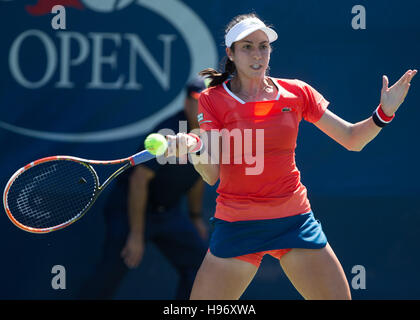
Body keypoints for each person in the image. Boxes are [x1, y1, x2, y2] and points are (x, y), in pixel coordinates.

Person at [165, 13, 417, 300]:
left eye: (263, 46)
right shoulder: (213, 99)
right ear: (231, 54)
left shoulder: (297, 92)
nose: (257, 54)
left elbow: (352, 139)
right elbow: (211, 174)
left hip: (293, 221)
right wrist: (195, 148)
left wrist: (384, 112)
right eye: (247, 47)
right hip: (237, 224)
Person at [78, 77, 208, 300]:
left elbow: (198, 178)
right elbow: (138, 182)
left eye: (209, 101)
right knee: (108, 276)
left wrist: (194, 216)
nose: (202, 108)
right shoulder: (168, 131)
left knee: (202, 267)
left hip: (169, 212)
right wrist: (136, 235)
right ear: (187, 103)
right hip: (131, 210)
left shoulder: (213, 135)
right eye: (198, 101)